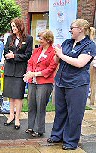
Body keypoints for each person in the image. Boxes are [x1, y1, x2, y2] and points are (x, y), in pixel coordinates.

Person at [47, 19, 96, 150]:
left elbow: (80, 63)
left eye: (72, 28)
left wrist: (61, 55)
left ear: (80, 29)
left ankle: (71, 141)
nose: (70, 30)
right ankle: (57, 135)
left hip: (77, 84)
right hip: (61, 81)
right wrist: (57, 54)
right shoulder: (67, 42)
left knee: (74, 114)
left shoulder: (89, 45)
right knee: (60, 111)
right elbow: (57, 60)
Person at [23, 29, 58, 137]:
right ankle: (31, 127)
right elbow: (30, 62)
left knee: (40, 105)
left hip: (45, 82)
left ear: (48, 40)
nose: (40, 41)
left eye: (42, 39)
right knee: (31, 104)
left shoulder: (53, 52)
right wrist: (29, 72)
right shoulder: (37, 50)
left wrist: (35, 74)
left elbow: (50, 69)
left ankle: (39, 129)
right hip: (33, 81)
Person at [3, 18, 33, 130]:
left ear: (20, 26)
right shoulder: (10, 38)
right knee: (11, 95)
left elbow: (28, 55)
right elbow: (5, 52)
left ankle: (17, 118)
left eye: (15, 26)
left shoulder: (28, 38)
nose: (13, 28)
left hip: (20, 71)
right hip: (9, 69)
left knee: (18, 96)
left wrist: (14, 56)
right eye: (12, 27)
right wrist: (8, 56)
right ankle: (11, 115)